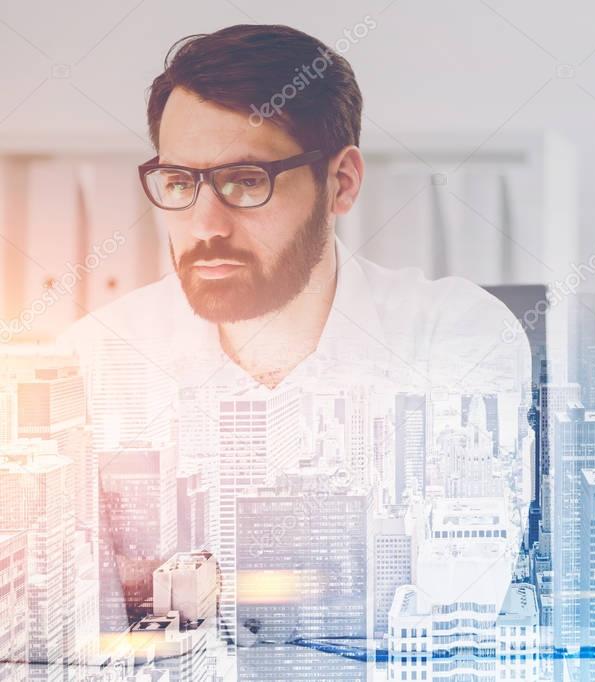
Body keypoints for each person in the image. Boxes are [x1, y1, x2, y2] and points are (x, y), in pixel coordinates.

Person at [52, 23, 531, 678]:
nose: (207, 224)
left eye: (246, 182)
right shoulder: (93, 361)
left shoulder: (454, 333)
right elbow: (73, 630)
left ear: (341, 184)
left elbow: (454, 616)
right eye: (178, 181)